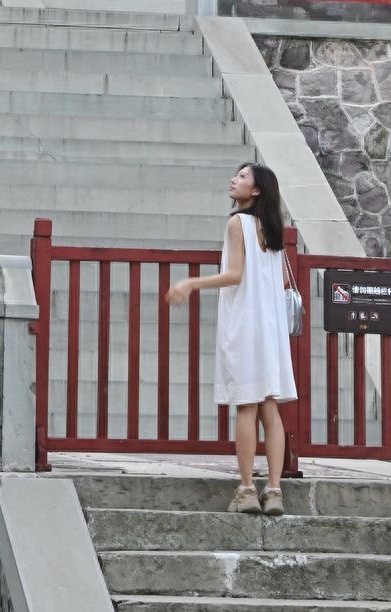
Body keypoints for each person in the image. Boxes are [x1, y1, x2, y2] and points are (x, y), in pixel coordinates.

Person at [165, 162, 297, 515]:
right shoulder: (273, 230)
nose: (234, 180)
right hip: (271, 328)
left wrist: (191, 283)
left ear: (255, 191)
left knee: (246, 405)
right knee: (270, 406)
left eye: (242, 177)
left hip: (245, 324)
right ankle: (275, 489)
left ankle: (246, 489)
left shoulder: (237, 222)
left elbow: (234, 275)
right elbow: (282, 282)